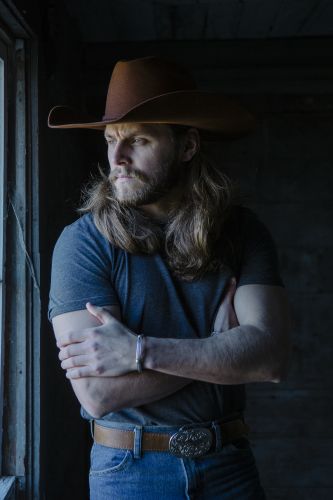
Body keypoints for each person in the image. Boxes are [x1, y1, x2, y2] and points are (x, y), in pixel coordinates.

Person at [48, 56, 291, 499]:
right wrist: (217, 347)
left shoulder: (241, 232)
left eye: (137, 140)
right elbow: (98, 394)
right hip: (129, 470)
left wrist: (138, 351)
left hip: (229, 466)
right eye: (109, 141)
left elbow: (269, 360)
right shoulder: (82, 243)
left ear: (187, 146)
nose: (116, 159)